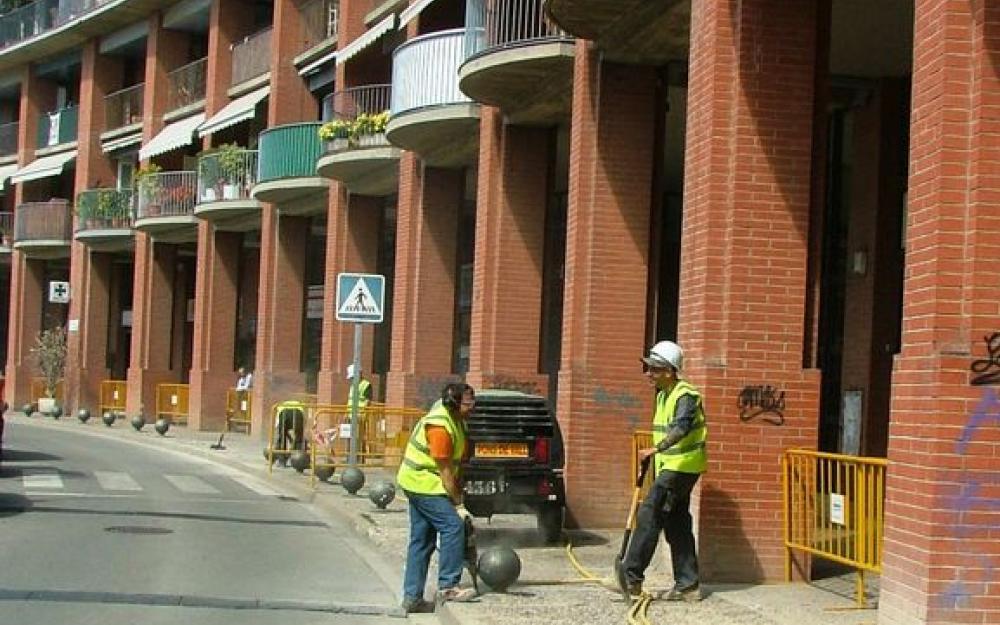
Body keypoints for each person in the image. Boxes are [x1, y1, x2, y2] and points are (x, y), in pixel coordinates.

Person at [622, 340, 708, 603]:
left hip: (681, 467)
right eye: (648, 368)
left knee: (649, 514)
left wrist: (654, 450)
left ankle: (630, 578)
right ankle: (689, 585)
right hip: (671, 467)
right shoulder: (662, 394)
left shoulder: (686, 395)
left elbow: (681, 428)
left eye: (655, 369)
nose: (649, 374)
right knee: (677, 524)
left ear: (670, 371)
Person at [396, 383, 479, 613]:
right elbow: (444, 471)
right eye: (468, 403)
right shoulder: (439, 427)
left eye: (474, 402)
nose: (472, 407)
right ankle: (448, 586)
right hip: (423, 483)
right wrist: (459, 505)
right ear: (453, 403)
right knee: (453, 527)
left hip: (421, 482)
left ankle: (412, 598)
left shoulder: (456, 420)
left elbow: (456, 464)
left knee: (422, 540)